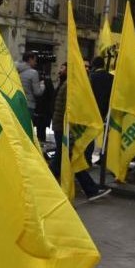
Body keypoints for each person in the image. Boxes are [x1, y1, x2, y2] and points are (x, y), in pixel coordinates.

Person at [49, 63, 103, 200]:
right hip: (64, 128)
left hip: (62, 127)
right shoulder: (71, 86)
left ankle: (46, 185)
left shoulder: (71, 84)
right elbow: (71, 109)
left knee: (62, 158)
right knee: (71, 158)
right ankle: (91, 190)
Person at [17, 51, 44, 142]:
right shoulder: (33, 73)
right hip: (29, 105)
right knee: (26, 131)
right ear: (30, 59)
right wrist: (42, 85)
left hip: (17, 103)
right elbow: (37, 92)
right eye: (35, 60)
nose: (36, 63)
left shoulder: (15, 68)